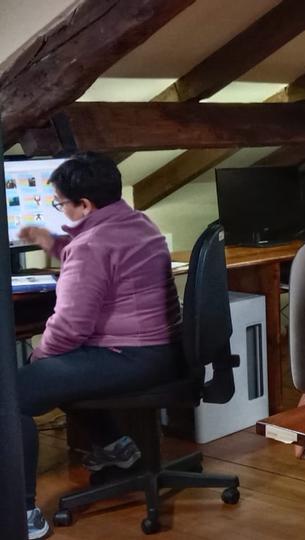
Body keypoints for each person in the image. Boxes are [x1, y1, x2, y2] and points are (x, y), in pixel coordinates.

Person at [15, 153, 181, 539]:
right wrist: (51, 243)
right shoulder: (136, 221)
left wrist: (40, 358)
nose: (60, 208)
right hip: (161, 352)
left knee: (16, 394)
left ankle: (21, 513)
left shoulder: (91, 246)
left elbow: (72, 326)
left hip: (130, 357)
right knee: (60, 370)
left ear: (85, 205)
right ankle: (117, 448)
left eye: (61, 203)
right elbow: (98, 251)